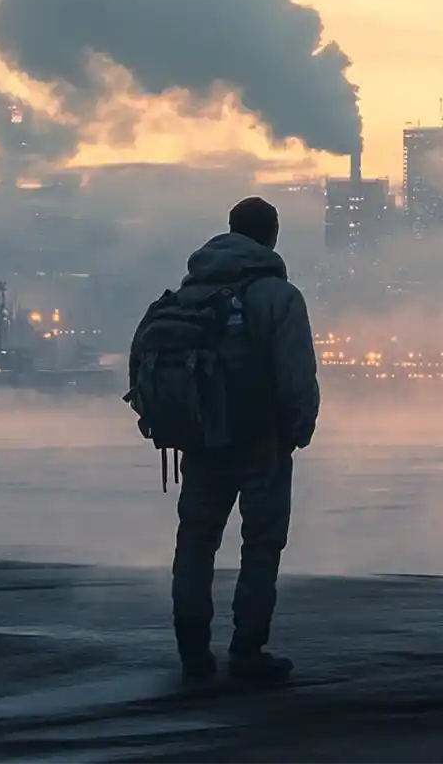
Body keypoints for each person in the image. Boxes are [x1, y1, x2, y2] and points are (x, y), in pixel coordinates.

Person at [169, 196, 320, 684]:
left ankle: (193, 649)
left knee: (195, 541)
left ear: (231, 230)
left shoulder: (192, 289)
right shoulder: (279, 296)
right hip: (261, 440)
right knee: (260, 545)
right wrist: (298, 430)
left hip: (201, 440)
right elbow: (296, 375)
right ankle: (247, 649)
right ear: (272, 235)